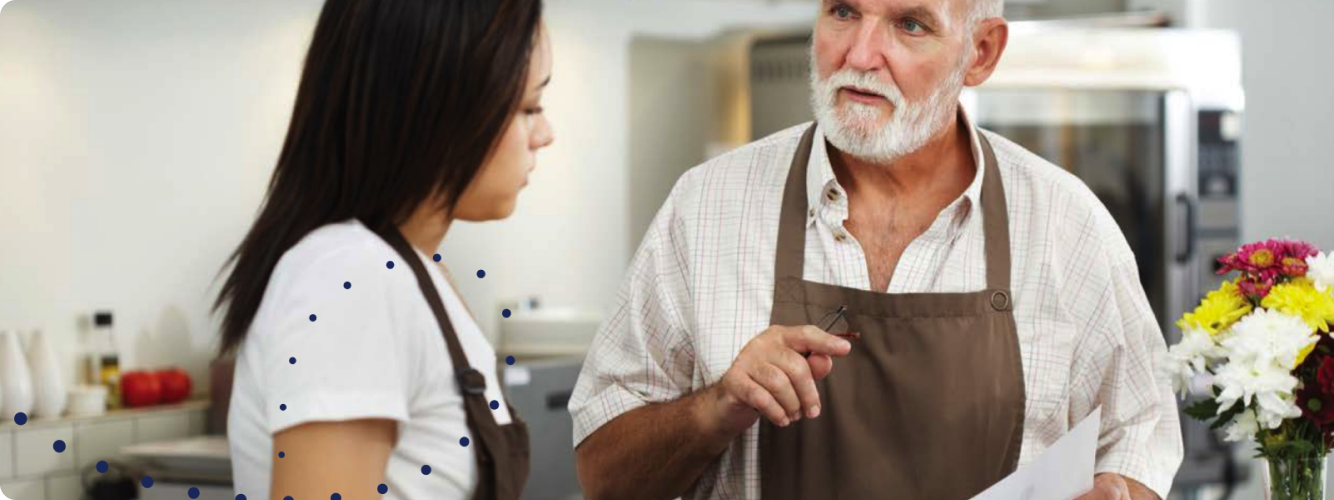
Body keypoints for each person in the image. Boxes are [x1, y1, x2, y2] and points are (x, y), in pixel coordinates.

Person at [569, 1, 1182, 499]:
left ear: (982, 52)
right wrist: (717, 407)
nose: (860, 55)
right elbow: (602, 475)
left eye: (910, 25)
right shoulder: (705, 208)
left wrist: (1120, 491)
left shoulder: (1064, 224)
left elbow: (1140, 437)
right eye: (842, 12)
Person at [213, 0, 553, 498]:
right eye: (529, 108)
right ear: (443, 106)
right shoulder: (347, 276)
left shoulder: (414, 274)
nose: (545, 134)